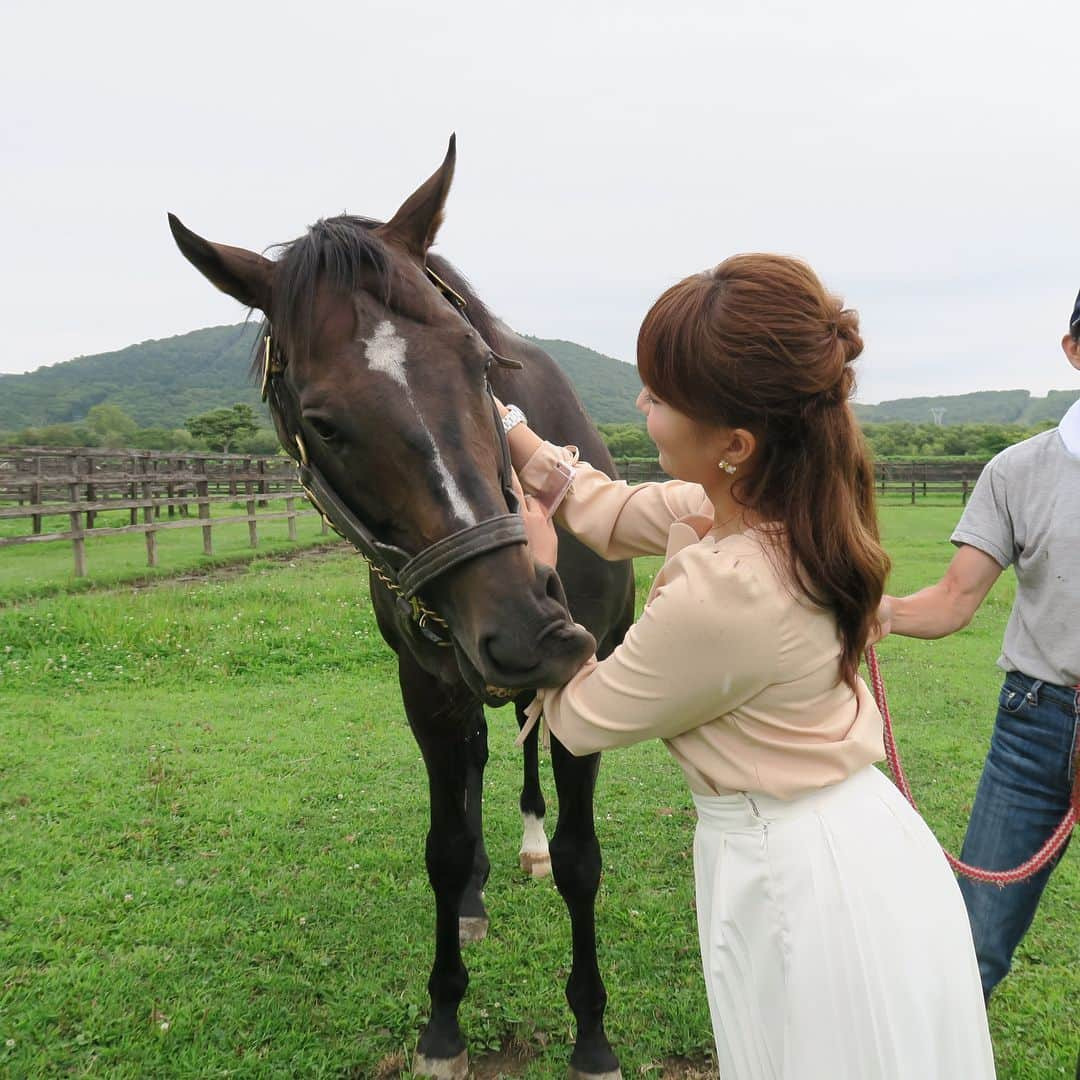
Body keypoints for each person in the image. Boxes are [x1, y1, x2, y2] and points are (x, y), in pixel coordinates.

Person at [499, 254, 995, 1079]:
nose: (640, 404)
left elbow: (580, 717)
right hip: (850, 848)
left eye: (658, 395)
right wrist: (510, 425)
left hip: (800, 882)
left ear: (733, 443)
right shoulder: (775, 503)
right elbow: (610, 508)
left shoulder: (727, 590)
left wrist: (536, 575)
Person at [877, 289, 1080, 1004]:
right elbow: (957, 598)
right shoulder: (1018, 472)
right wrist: (874, 613)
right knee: (973, 946)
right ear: (1073, 351)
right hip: (1036, 722)